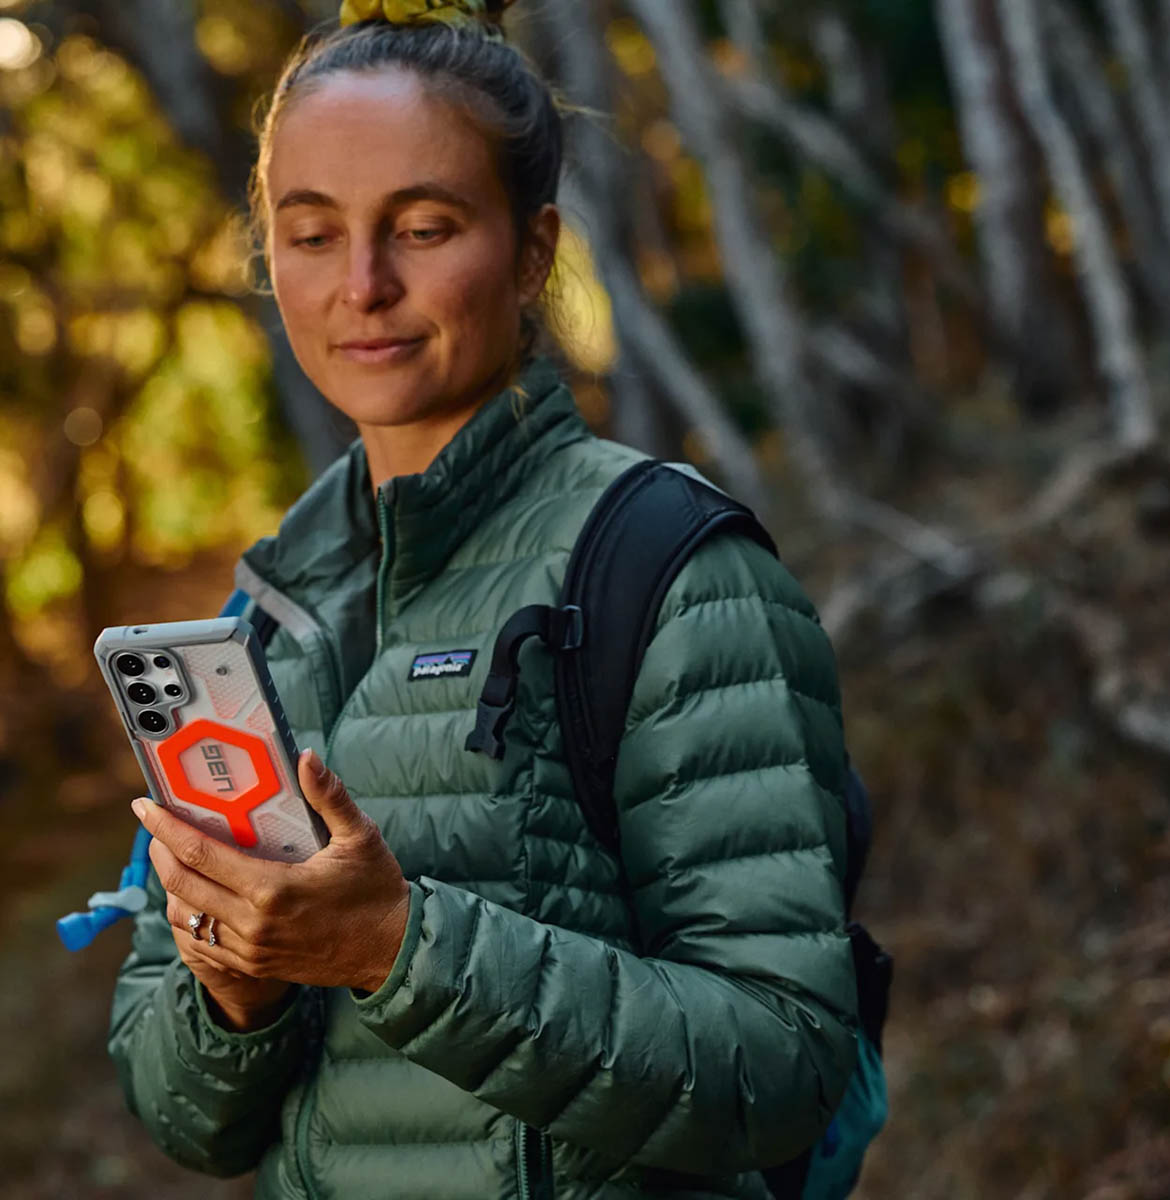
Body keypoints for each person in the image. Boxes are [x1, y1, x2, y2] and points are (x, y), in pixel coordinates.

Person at [108, 3, 859, 1196]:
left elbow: (782, 1065)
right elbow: (185, 1120)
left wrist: (395, 948)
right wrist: (237, 985)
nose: (363, 285)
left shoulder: (671, 571)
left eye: (422, 227)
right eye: (312, 234)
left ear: (532, 250)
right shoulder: (263, 620)